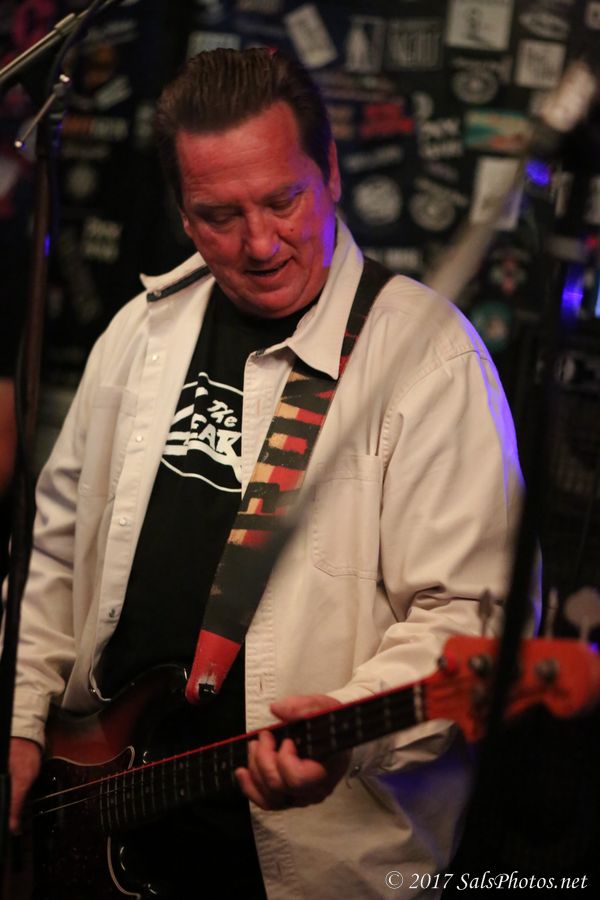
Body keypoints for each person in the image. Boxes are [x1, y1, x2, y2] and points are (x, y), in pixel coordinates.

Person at [7, 48, 527, 899]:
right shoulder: (140, 332)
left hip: (304, 865)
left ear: (331, 175)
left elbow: (469, 616)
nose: (259, 243)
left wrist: (347, 731)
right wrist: (22, 721)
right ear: (183, 215)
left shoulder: (430, 358)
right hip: (95, 817)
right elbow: (54, 558)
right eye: (219, 215)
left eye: (283, 200)